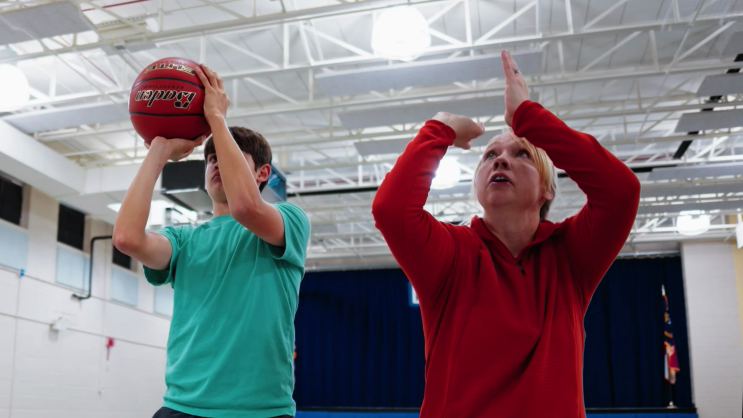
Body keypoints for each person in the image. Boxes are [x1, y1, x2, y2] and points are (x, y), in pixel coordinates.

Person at [372, 50, 641, 417]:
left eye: (522, 154)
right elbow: (391, 209)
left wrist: (528, 118)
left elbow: (621, 191)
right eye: (490, 155)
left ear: (547, 189)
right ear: (479, 186)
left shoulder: (572, 256)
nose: (500, 160)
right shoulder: (452, 254)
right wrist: (441, 126)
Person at [113, 64, 310, 418]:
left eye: (227, 155)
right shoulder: (184, 241)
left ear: (263, 173)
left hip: (259, 410)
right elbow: (127, 238)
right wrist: (158, 151)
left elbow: (247, 207)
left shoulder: (291, 221)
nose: (217, 163)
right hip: (181, 407)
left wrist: (216, 119)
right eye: (211, 158)